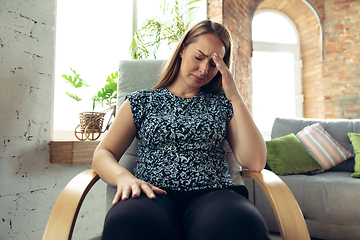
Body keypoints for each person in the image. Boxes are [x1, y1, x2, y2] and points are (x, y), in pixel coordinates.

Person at [92, 20, 270, 240]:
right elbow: (103, 153)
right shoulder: (142, 101)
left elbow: (255, 162)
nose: (204, 69)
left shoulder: (223, 104)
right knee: (127, 224)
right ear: (183, 49)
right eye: (198, 57)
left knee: (240, 223)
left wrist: (234, 95)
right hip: (150, 193)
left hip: (214, 194)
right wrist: (123, 178)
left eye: (214, 64)